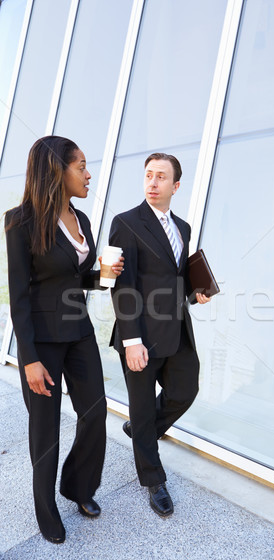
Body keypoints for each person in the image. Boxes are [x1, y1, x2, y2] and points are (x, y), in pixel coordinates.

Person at [5, 136, 124, 544]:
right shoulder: (19, 222)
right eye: (82, 166)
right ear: (57, 170)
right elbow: (19, 297)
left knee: (95, 414)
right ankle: (46, 509)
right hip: (42, 343)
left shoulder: (82, 220)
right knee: (46, 427)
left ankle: (77, 487)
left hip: (79, 333)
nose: (88, 174)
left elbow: (77, 278)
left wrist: (104, 275)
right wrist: (29, 359)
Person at [109, 152, 210, 517]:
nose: (152, 182)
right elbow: (123, 286)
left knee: (186, 390)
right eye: (148, 175)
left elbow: (174, 279)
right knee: (141, 403)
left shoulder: (182, 228)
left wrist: (194, 294)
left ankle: (142, 428)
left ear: (176, 186)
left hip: (177, 328)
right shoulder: (126, 223)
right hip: (141, 334)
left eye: (161, 177)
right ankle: (153, 479)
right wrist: (131, 340)